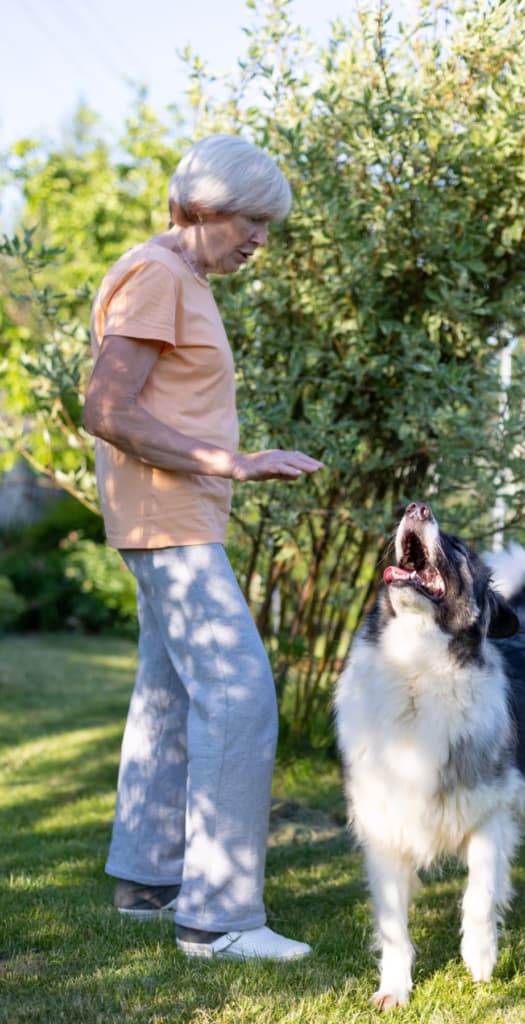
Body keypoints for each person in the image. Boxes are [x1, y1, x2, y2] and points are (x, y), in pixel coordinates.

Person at [83, 134, 323, 962]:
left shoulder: (173, 274)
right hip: (169, 520)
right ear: (199, 208)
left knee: (169, 694)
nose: (259, 238)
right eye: (250, 220)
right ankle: (218, 918)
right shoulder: (159, 275)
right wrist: (233, 461)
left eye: (269, 224)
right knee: (239, 694)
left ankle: (149, 879)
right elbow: (108, 409)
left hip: (166, 517)